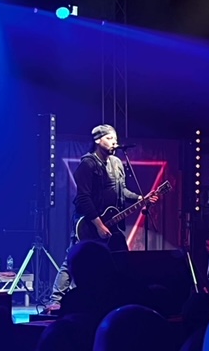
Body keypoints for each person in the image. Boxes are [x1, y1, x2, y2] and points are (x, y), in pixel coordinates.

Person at [45, 124, 157, 312]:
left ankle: (120, 300)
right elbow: (83, 197)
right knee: (73, 257)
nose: (115, 142)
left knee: (121, 258)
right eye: (110, 138)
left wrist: (140, 198)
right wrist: (97, 224)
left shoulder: (117, 163)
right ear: (98, 140)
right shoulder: (88, 165)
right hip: (89, 222)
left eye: (115, 138)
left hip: (113, 222)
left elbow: (122, 191)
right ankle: (56, 300)